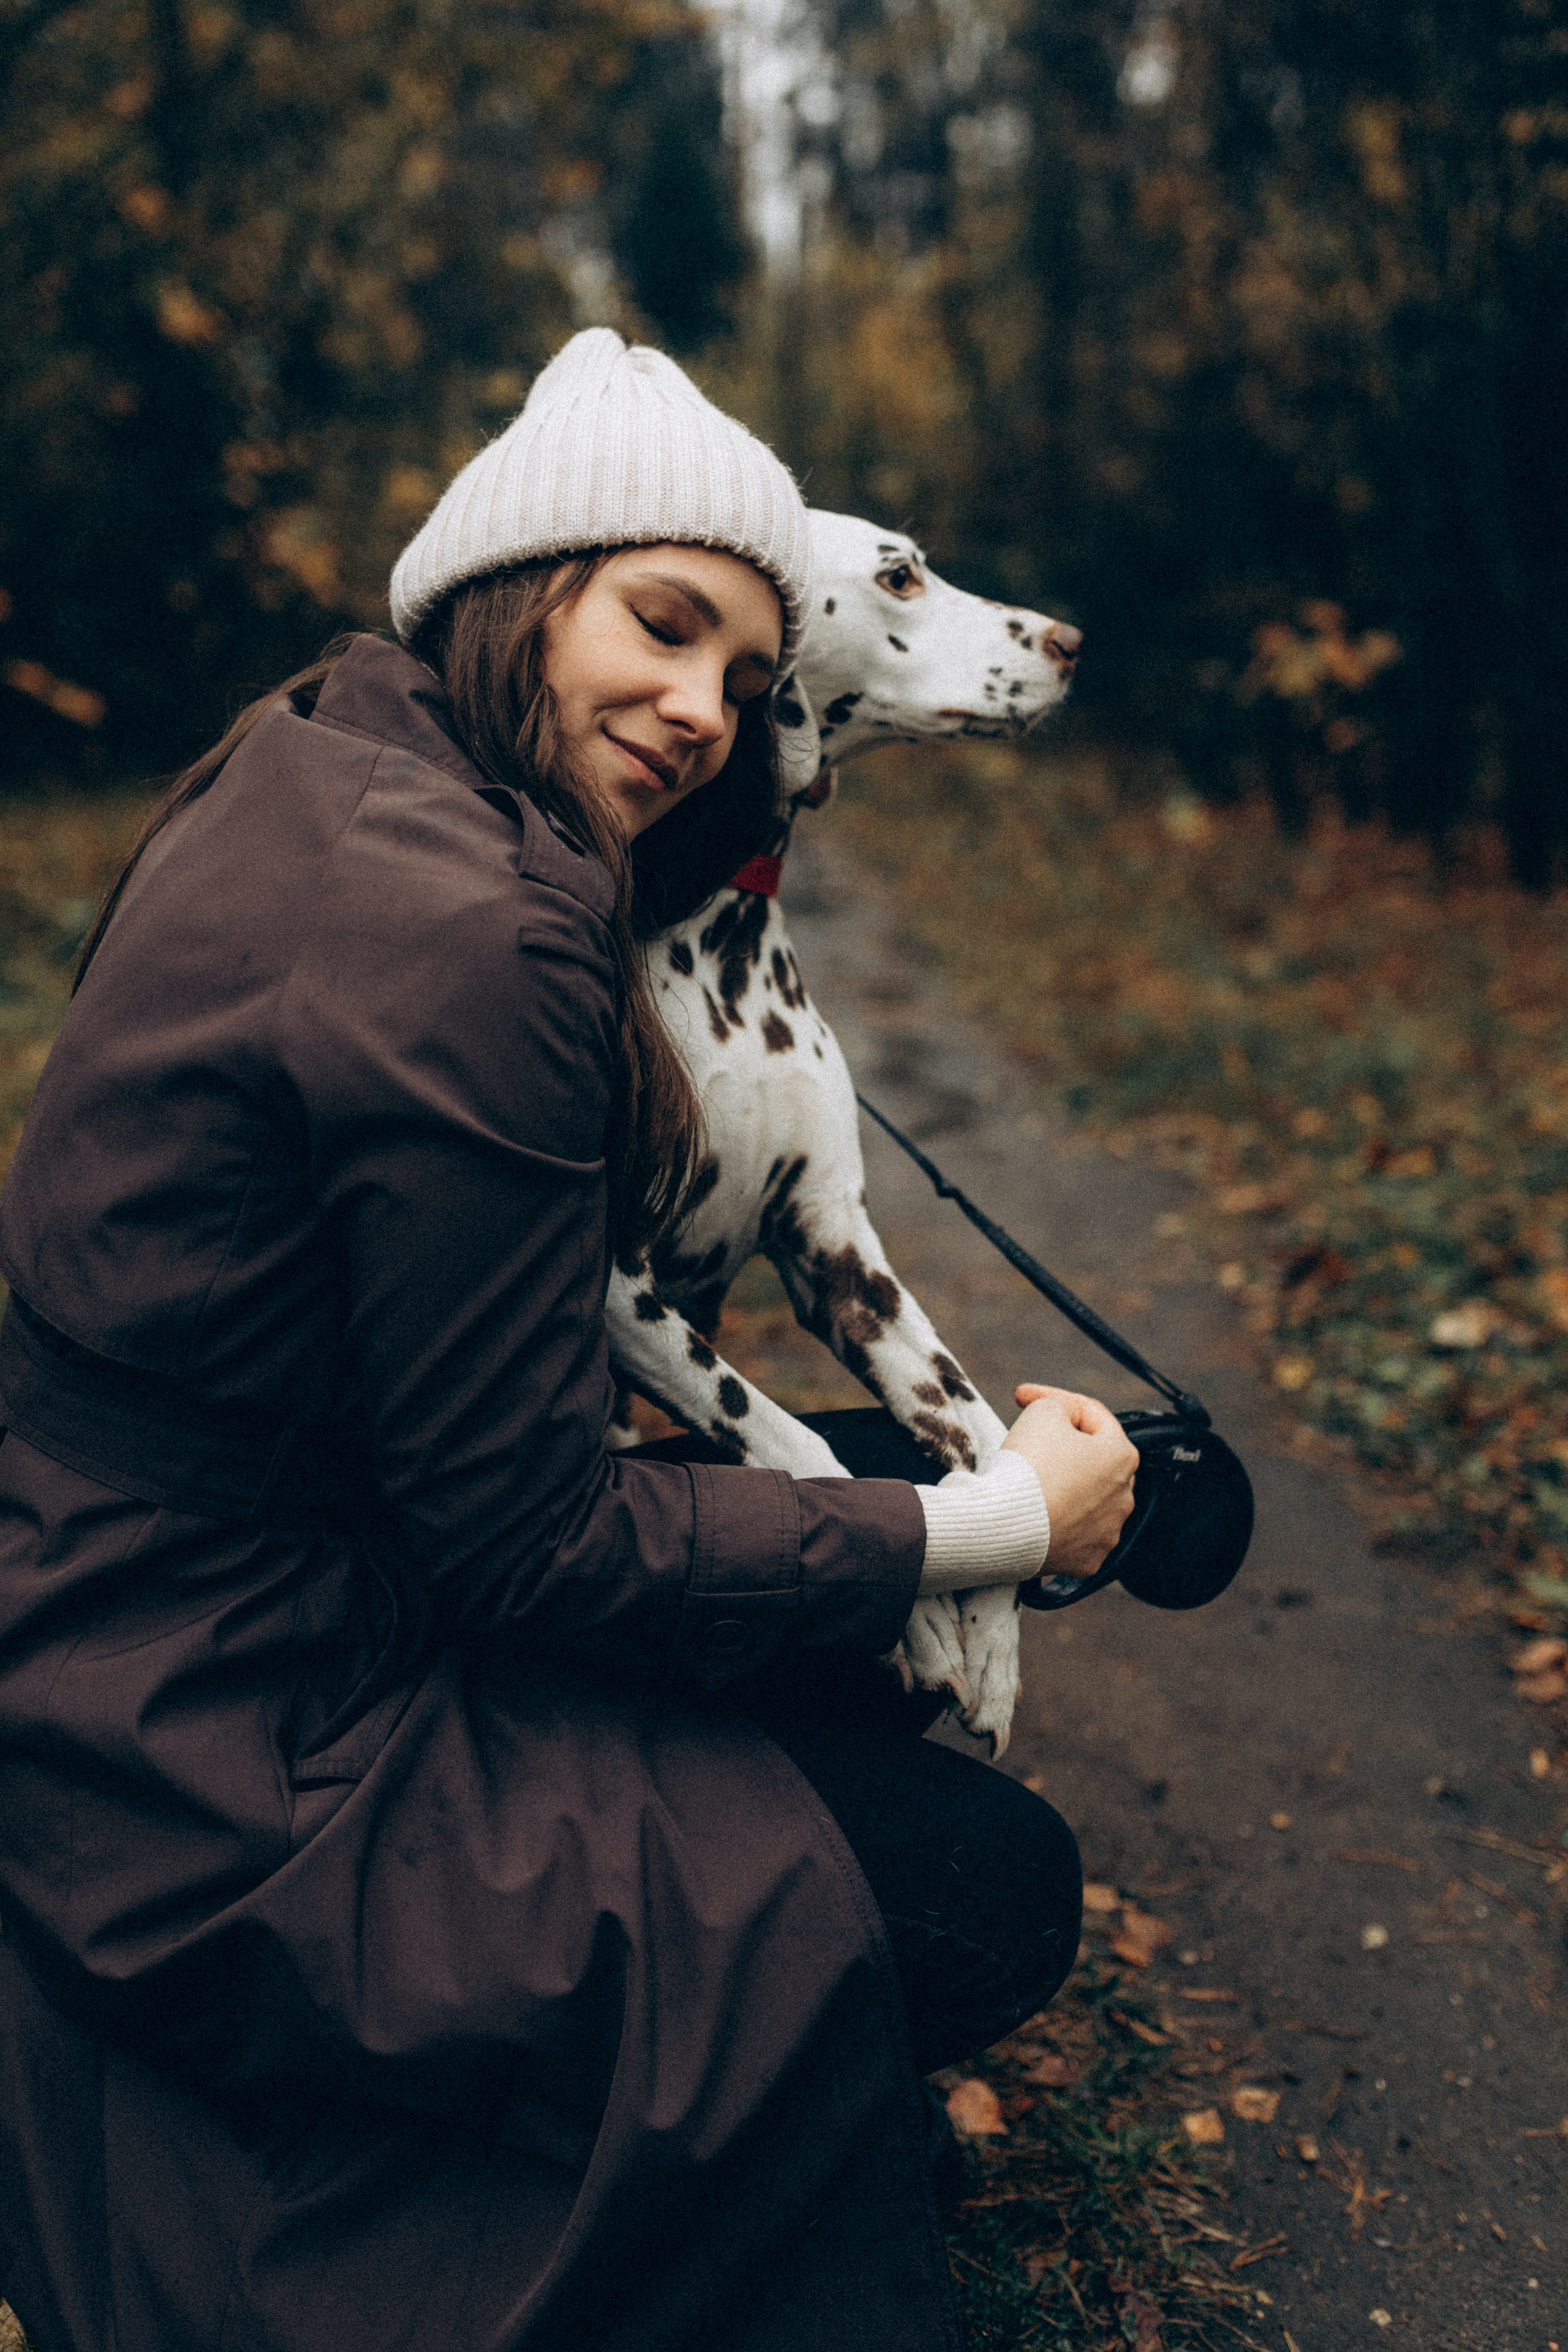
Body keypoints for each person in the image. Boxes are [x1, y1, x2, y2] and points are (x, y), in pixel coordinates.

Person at [0, 330, 1137, 2352]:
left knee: (863, 1554)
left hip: (137, 1588)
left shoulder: (321, 746)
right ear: (522, 588)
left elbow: (477, 1430)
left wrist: (936, 1502)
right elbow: (522, 1544)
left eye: (743, 679)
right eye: (664, 627)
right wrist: (989, 1531)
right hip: (225, 1736)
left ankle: (1136, 1508)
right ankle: (460, 2159)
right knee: (987, 1884)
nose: (700, 712)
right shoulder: (477, 926)